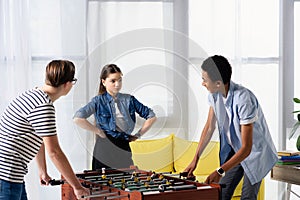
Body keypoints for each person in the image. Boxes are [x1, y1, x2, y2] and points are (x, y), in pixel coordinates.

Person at [184, 55, 278, 200]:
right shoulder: (214, 95)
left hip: (255, 153)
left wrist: (220, 171)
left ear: (218, 83)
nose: (202, 83)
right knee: (221, 194)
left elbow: (247, 148)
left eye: (204, 80)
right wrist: (195, 159)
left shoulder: (244, 100)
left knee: (247, 197)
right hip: (237, 151)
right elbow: (209, 127)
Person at [0, 60, 90, 200]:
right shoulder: (43, 106)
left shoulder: (33, 95)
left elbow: (39, 136)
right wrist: (77, 187)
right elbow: (54, 152)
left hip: (10, 175)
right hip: (6, 176)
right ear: (67, 84)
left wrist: (42, 170)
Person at [73, 64, 156, 170]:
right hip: (104, 148)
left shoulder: (129, 100)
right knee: (101, 183)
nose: (117, 84)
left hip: (123, 147)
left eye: (120, 80)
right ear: (103, 82)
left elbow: (151, 116)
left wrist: (138, 135)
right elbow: (78, 118)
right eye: (113, 81)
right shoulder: (98, 101)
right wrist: (98, 131)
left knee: (126, 182)